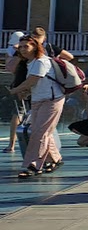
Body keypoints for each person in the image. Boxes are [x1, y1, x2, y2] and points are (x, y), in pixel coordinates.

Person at [10, 35, 65, 177]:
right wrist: (26, 93)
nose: (22, 49)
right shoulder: (31, 63)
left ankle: (33, 165)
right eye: (20, 47)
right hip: (38, 100)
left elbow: (32, 80)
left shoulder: (41, 61)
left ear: (35, 46)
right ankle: (56, 159)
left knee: (38, 132)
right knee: (44, 131)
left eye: (26, 46)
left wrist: (16, 90)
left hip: (52, 100)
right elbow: (37, 84)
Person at [4, 31, 26, 153]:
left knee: (20, 113)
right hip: (20, 86)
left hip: (26, 86)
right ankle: (12, 144)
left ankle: (12, 144)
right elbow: (10, 68)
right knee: (18, 113)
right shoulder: (15, 53)